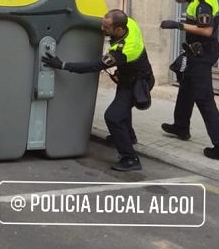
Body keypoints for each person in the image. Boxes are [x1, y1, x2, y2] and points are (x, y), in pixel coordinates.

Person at [42, 9, 154, 172]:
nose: (102, 29)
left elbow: (94, 66)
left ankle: (130, 158)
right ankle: (129, 136)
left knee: (113, 116)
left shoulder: (123, 51)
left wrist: (62, 65)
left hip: (137, 84)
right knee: (122, 110)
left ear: (119, 30)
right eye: (103, 24)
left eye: (106, 27)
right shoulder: (130, 23)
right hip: (128, 79)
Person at [160, 0, 219, 162]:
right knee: (186, 88)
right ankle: (181, 126)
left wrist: (179, 25)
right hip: (196, 52)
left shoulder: (203, 1)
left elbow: (207, 31)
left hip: (203, 54)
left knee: (204, 99)